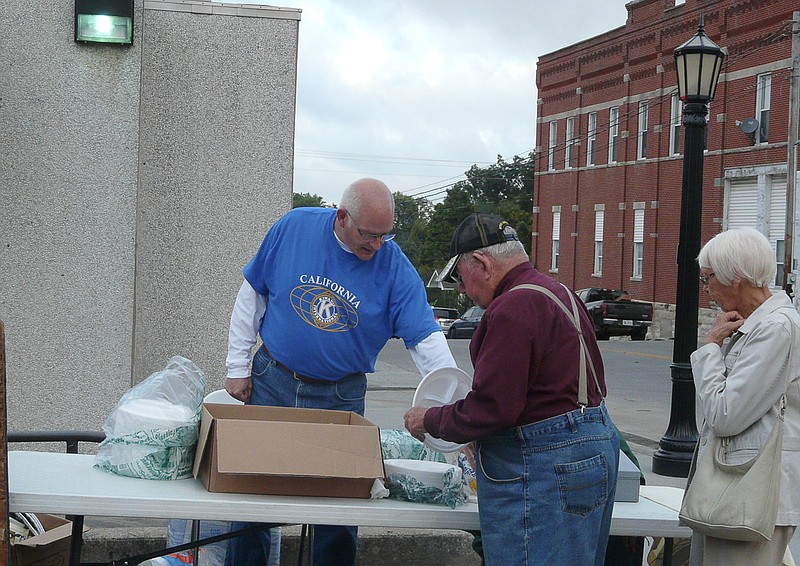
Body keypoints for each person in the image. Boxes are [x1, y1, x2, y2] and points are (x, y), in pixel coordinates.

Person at [224, 178, 456, 566]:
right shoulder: (294, 228)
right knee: (253, 496)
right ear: (342, 216)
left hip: (339, 396)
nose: (378, 245)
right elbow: (253, 293)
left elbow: (426, 339)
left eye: (386, 235)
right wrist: (236, 367)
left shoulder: (393, 265)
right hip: (273, 381)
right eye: (369, 235)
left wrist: (454, 406)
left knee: (341, 507)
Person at [404, 212, 620, 566]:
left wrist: (430, 419)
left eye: (460, 277)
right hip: (595, 442)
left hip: (545, 459)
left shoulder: (512, 307)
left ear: (482, 263)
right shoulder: (560, 292)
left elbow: (493, 408)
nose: (461, 290)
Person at [689, 227, 800, 566]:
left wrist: (710, 349)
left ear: (734, 277)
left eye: (708, 278)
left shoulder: (776, 329)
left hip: (749, 495)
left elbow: (725, 415)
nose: (705, 288)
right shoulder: (757, 325)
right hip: (736, 492)